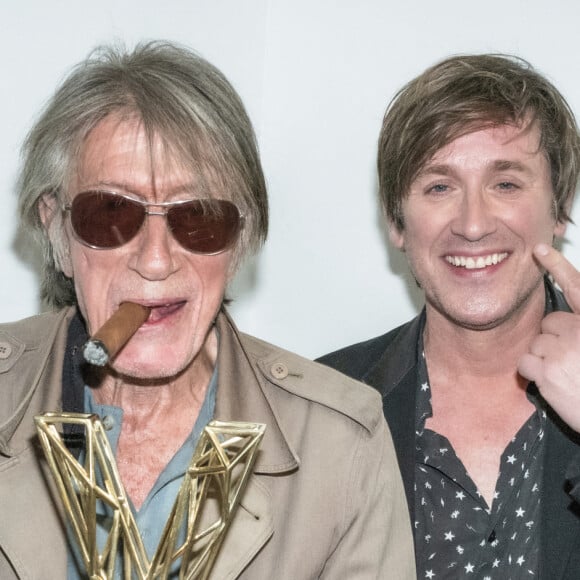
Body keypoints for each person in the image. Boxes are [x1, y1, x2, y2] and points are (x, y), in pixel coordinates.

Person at [0, 41, 415, 579]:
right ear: (58, 228)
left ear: (239, 238)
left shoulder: (339, 443)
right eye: (110, 212)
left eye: (197, 216)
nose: (155, 260)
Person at [318, 54, 580, 579]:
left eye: (506, 183)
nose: (473, 224)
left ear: (558, 208)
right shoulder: (324, 406)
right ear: (396, 221)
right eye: (439, 186)